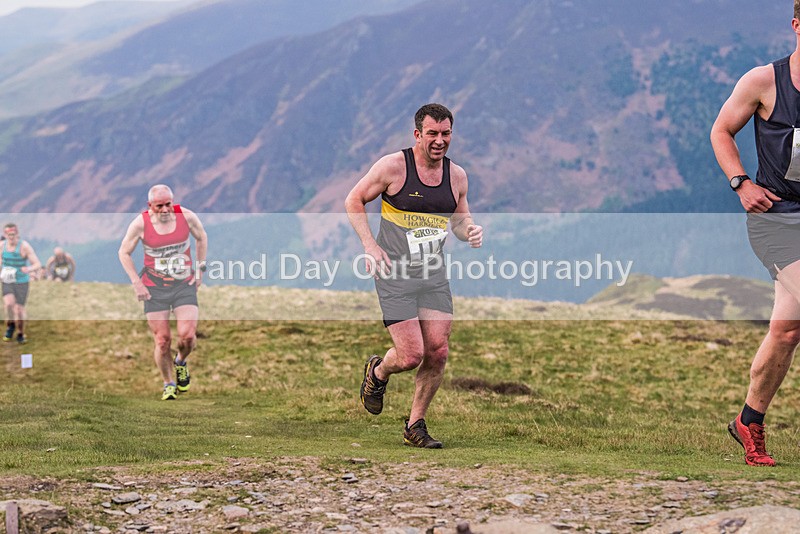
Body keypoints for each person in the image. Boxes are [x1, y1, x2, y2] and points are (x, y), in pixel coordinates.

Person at [345, 103, 483, 448]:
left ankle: (415, 425)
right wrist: (369, 245)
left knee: (437, 352)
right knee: (410, 356)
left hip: (433, 274)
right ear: (418, 134)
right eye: (433, 134)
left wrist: (471, 232)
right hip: (395, 273)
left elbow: (460, 222)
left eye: (446, 133)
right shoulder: (394, 167)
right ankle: (378, 372)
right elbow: (354, 200)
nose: (440, 141)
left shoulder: (457, 176)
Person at [710, 2, 800, 466]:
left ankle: (749, 420)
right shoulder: (764, 81)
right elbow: (722, 130)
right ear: (796, 24)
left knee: (786, 331)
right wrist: (741, 182)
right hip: (777, 217)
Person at [118, 185, 208, 401]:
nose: (166, 209)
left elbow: (201, 237)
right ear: (150, 206)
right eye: (160, 206)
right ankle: (168, 383)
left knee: (187, 336)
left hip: (183, 284)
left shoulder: (186, 216)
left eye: (169, 204)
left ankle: (180, 362)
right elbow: (123, 252)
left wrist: (200, 269)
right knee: (162, 340)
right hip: (154, 287)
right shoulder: (140, 224)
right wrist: (136, 283)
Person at [1, 223, 42, 344]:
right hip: (8, 279)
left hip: (22, 281)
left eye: (13, 234)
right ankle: (10, 326)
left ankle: (20, 332)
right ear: (5, 235)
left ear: (17, 234)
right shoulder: (2, 246)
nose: (11, 237)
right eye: (8, 235)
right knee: (8, 304)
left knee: (18, 309)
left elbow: (37, 264)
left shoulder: (24, 247)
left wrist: (28, 269)